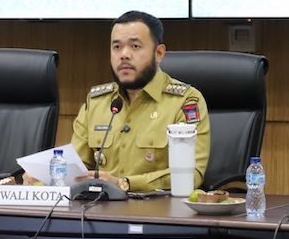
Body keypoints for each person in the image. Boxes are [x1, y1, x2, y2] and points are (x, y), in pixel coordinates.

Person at [63, 10, 211, 193]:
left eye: (135, 46)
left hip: (159, 208)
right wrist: (45, 178)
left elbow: (191, 175)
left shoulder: (184, 101)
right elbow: (76, 166)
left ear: (159, 53)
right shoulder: (97, 102)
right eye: (117, 47)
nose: (124, 55)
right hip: (100, 206)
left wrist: (125, 183)